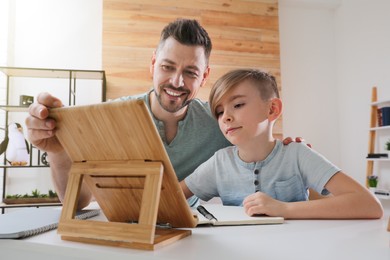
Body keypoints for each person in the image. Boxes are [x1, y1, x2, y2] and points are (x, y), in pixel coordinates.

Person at [26, 18, 300, 210]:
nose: (177, 82)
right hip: (124, 229)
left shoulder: (219, 123)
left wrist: (285, 151)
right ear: (153, 63)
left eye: (190, 72)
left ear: (204, 76)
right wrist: (57, 152)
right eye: (168, 67)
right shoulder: (112, 118)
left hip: (191, 232)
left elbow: (258, 153)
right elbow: (77, 202)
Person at [180, 68, 383, 219]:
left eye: (238, 105)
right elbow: (172, 197)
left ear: (272, 109)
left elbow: (370, 205)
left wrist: (284, 209)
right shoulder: (219, 162)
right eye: (219, 112)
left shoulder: (297, 154)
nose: (225, 118)